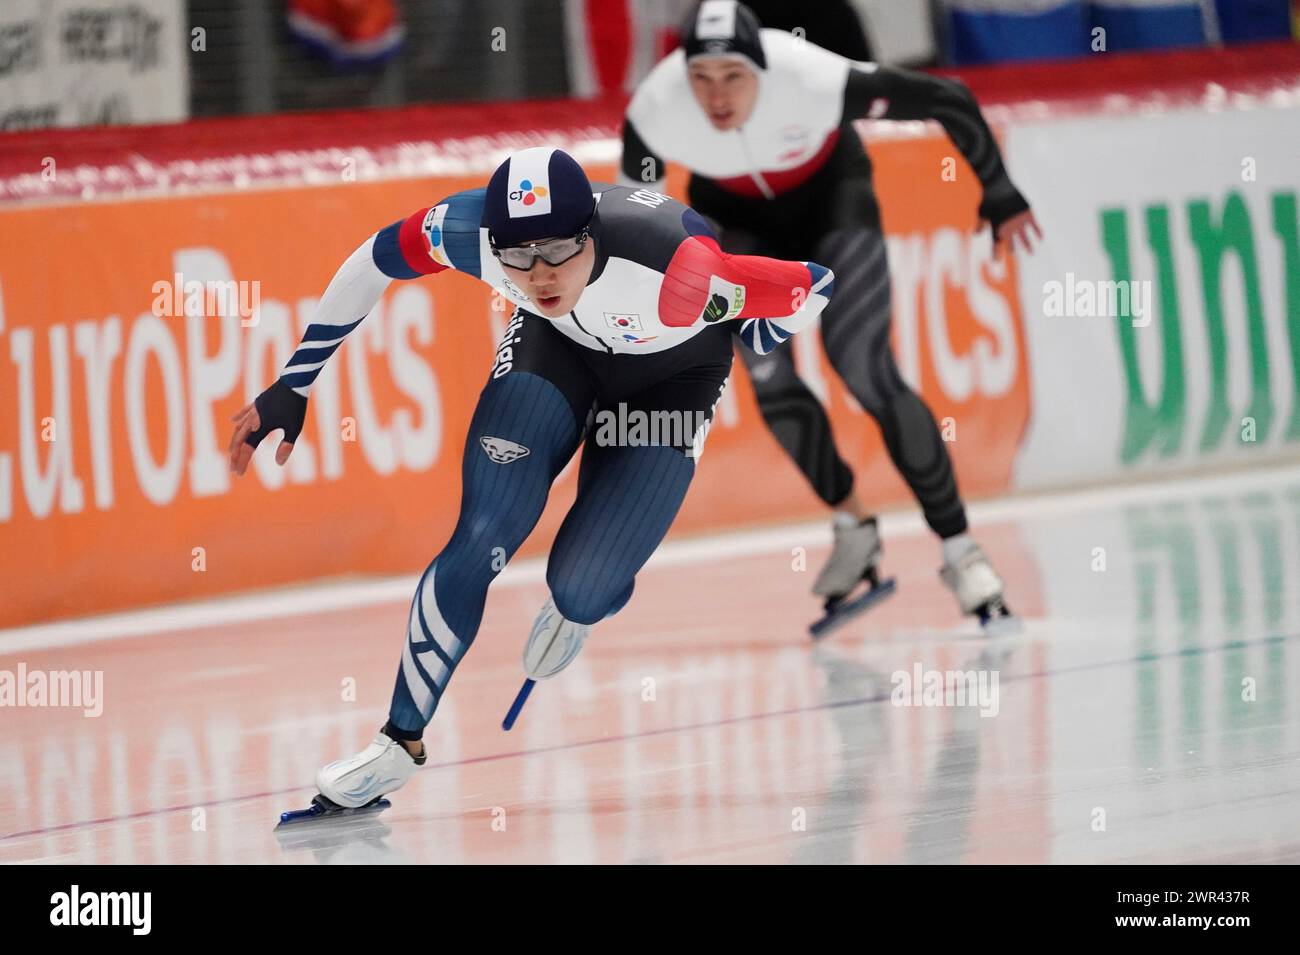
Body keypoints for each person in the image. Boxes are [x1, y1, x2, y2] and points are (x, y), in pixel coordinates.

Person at [230, 146, 835, 812]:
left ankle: (589, 599)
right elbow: (372, 260)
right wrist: (295, 381)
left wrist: (754, 338)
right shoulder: (468, 234)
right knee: (482, 530)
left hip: (673, 375)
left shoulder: (682, 273)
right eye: (516, 257)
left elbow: (814, 283)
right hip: (558, 349)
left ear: (591, 235)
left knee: (579, 587)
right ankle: (399, 742)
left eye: (556, 252)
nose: (538, 273)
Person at [619, 0, 1043, 624]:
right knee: (768, 375)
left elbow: (947, 97)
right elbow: (641, 221)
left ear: (761, 69)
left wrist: (1000, 191)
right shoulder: (654, 110)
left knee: (864, 366)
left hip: (831, 201)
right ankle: (853, 523)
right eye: (701, 78)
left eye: (733, 76)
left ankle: (960, 549)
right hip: (736, 224)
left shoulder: (813, 78)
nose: (716, 96)